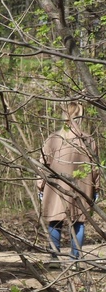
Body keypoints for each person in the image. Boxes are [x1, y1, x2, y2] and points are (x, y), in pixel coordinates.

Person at [39, 101, 99, 260]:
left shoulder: (53, 138)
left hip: (56, 187)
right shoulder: (89, 140)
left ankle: (54, 258)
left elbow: (43, 165)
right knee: (79, 222)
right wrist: (95, 189)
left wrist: (40, 186)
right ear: (81, 117)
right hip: (82, 187)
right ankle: (75, 259)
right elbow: (95, 168)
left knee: (55, 220)